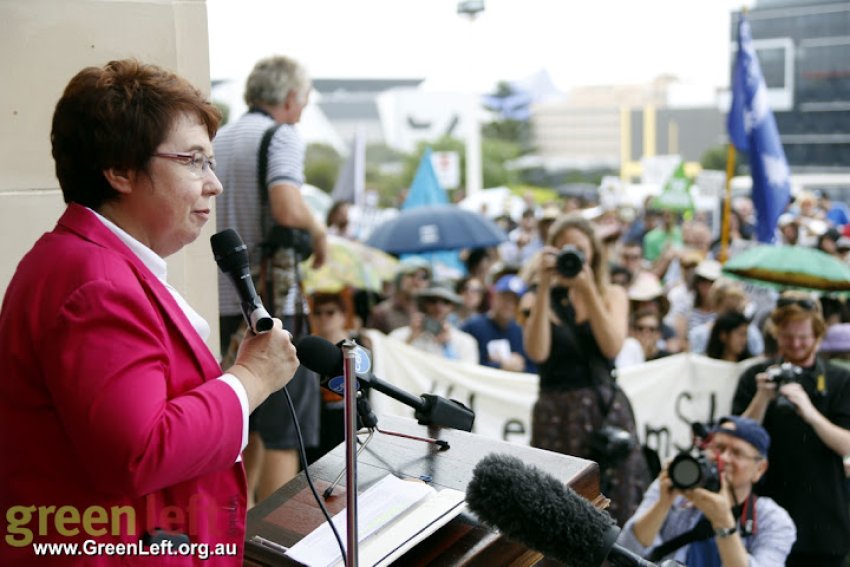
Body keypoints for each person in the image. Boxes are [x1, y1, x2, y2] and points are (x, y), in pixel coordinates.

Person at [0, 59, 299, 564]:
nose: (214, 183)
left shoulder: (96, 264)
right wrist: (251, 378)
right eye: (193, 161)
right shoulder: (94, 282)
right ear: (119, 170)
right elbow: (140, 451)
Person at [214, 55, 326, 505]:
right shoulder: (281, 136)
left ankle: (242, 535)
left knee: (247, 425)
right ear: (290, 97)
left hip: (225, 302)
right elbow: (286, 206)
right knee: (284, 432)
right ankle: (278, 547)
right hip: (272, 305)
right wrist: (318, 231)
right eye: (304, 99)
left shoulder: (220, 138)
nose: (303, 109)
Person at [523, 212, 649, 526]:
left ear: (592, 251)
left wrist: (588, 288)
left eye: (579, 248)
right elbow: (537, 352)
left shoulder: (613, 293)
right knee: (557, 510)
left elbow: (611, 347)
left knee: (611, 506)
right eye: (563, 248)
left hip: (603, 412)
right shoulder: (539, 299)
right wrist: (543, 287)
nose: (572, 255)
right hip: (556, 414)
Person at [731, 291, 850, 566]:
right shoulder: (755, 376)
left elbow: (846, 444)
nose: (795, 345)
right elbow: (733, 437)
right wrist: (761, 398)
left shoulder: (840, 380)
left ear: (819, 335)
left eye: (803, 337)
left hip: (824, 525)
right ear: (775, 334)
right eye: (787, 337)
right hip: (764, 520)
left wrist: (810, 413)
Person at [618, 416, 796, 565]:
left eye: (737, 453)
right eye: (718, 448)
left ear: (759, 469)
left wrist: (723, 520)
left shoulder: (772, 519)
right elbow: (627, 551)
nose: (724, 459)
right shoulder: (674, 489)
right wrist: (663, 503)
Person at [390, 282, 479, 364]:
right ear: (424, 303)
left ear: (452, 307)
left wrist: (447, 347)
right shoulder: (398, 335)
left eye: (445, 302)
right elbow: (390, 363)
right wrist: (410, 339)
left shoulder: (465, 342)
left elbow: (465, 375)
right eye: (433, 301)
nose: (438, 307)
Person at [461, 275, 536, 372]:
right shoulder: (472, 327)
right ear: (495, 297)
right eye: (505, 298)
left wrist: (521, 367)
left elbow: (533, 368)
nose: (509, 304)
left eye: (515, 301)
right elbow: (463, 363)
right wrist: (500, 365)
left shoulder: (521, 332)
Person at [367, 257, 432, 334]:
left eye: (424, 277)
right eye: (411, 275)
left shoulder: (428, 310)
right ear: (399, 279)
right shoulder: (382, 312)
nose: (417, 281)